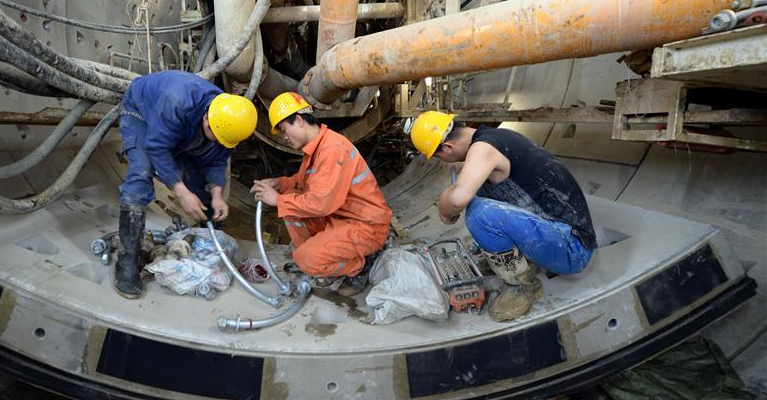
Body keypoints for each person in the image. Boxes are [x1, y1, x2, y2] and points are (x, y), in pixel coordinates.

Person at [408, 111, 596, 321]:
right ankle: (517, 260)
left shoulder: (483, 149)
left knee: (480, 213)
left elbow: (457, 199)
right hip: (560, 232)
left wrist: (444, 207)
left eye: (438, 155)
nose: (441, 161)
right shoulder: (494, 138)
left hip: (572, 249)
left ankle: (522, 286)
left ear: (449, 147)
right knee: (478, 191)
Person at [115, 70, 257, 299]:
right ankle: (127, 263)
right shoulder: (176, 101)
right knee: (140, 176)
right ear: (206, 119)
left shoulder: (228, 119)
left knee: (201, 186)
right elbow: (158, 148)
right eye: (215, 136)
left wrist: (217, 194)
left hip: (181, 126)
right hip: (141, 113)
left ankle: (209, 245)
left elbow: (218, 158)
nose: (219, 142)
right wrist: (181, 192)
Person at [251, 92, 392, 295]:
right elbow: (302, 184)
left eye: (284, 130)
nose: (284, 138)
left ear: (299, 120)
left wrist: (277, 199)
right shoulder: (317, 148)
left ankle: (360, 266)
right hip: (341, 218)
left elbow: (321, 204)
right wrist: (278, 183)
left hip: (366, 227)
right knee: (291, 201)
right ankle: (318, 255)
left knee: (305, 259)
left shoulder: (332, 148)